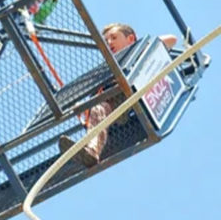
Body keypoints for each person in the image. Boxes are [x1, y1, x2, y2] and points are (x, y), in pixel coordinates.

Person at [57, 23, 179, 167]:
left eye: (114, 38)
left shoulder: (139, 53)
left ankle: (92, 149)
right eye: (106, 41)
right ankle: (91, 150)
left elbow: (172, 39)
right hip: (112, 105)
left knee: (100, 107)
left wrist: (142, 47)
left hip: (129, 97)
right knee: (97, 108)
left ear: (130, 38)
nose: (109, 43)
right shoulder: (107, 70)